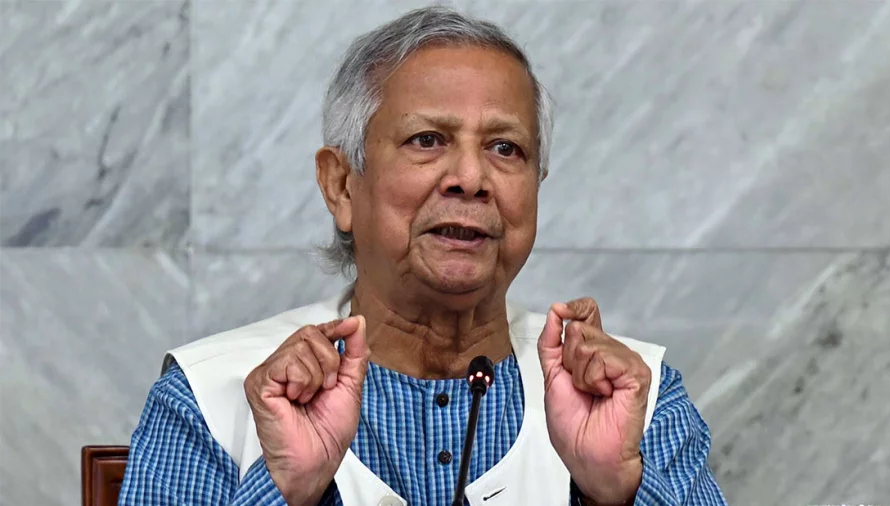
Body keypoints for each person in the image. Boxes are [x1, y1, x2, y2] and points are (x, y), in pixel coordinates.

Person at [119, 6, 726, 506]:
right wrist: (283, 491)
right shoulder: (209, 398)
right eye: (427, 140)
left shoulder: (635, 398)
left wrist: (619, 491)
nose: (472, 178)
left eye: (505, 148)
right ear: (341, 186)